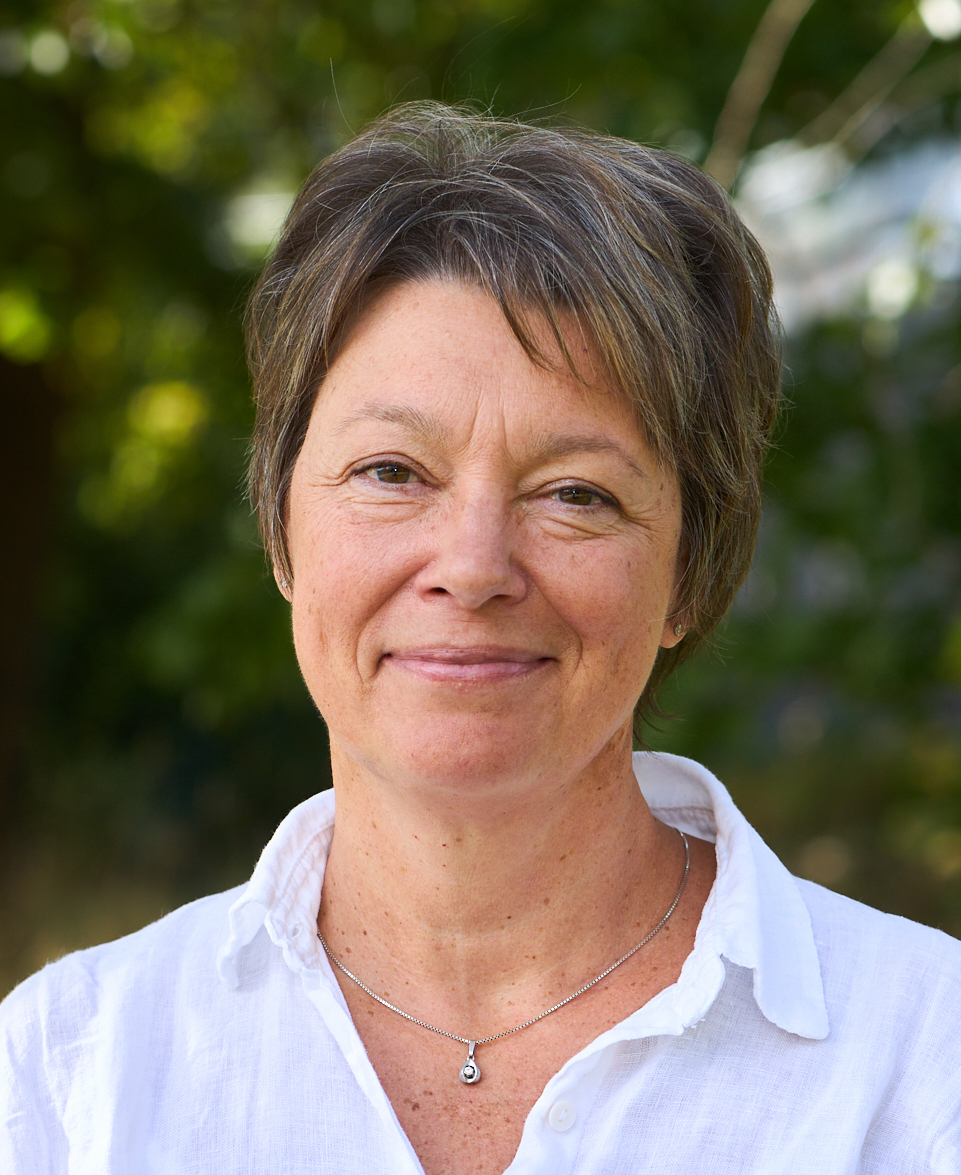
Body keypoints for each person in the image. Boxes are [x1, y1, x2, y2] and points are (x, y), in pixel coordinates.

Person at [2, 102, 960, 1175]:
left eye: (575, 492)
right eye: (391, 472)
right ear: (280, 529)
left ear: (689, 572)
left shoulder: (926, 1067)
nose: (471, 565)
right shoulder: (64, 1079)